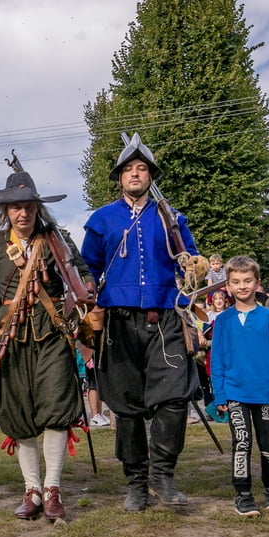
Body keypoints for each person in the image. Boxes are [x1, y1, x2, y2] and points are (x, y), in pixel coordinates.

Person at [81, 134, 202, 513]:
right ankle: (136, 482)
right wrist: (85, 300)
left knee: (175, 398)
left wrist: (193, 265)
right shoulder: (102, 219)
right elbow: (87, 269)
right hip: (118, 322)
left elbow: (191, 258)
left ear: (150, 176)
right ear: (119, 178)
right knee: (128, 406)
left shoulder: (171, 217)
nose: (135, 174)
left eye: (142, 168)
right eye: (128, 169)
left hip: (166, 317)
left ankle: (163, 475)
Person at [0, 169, 92, 522]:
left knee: (56, 407)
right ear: (6, 210)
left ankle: (53, 488)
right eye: (16, 207)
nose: (22, 213)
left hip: (52, 332)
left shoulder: (57, 237)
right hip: (10, 338)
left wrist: (81, 295)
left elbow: (84, 276)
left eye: (28, 206)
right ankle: (32, 491)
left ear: (37, 208)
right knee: (19, 413)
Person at [210, 256, 269, 516]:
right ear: (228, 286)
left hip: (264, 395)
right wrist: (220, 393)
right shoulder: (223, 321)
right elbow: (217, 359)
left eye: (247, 281)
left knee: (268, 444)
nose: (242, 286)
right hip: (235, 393)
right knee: (241, 443)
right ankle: (243, 494)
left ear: (257, 283)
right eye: (236, 281)